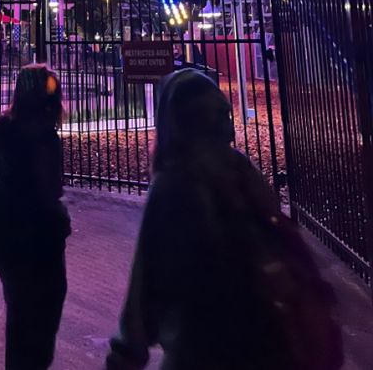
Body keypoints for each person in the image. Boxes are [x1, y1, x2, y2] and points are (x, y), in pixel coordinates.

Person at [105, 68, 343, 370]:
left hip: (199, 349)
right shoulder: (242, 171)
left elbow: (145, 286)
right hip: (267, 344)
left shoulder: (174, 184)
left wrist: (126, 353)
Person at [0, 64, 71, 370]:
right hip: (40, 241)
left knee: (19, 315)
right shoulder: (44, 137)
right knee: (45, 316)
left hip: (8, 237)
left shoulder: (1, 129)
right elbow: (49, 191)